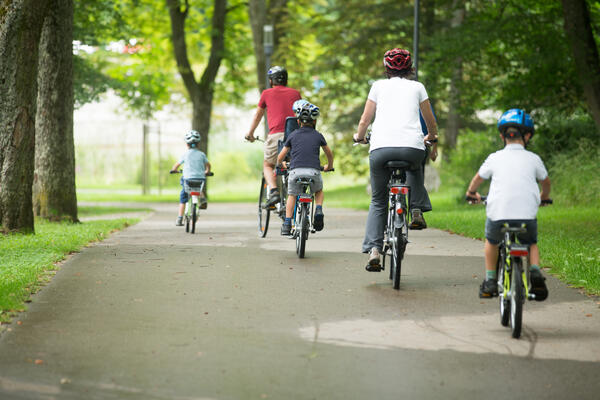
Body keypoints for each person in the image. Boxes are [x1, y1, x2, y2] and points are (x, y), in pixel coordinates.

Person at [353, 48, 438, 271]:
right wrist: (432, 136)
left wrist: (359, 137)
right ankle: (417, 209)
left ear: (386, 68)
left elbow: (365, 119)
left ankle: (374, 251)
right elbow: (429, 120)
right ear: (410, 68)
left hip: (381, 149)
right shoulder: (417, 87)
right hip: (412, 148)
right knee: (415, 166)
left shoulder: (378, 87)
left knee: (379, 200)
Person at [466, 108, 550, 300]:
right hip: (527, 217)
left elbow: (478, 179)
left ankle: (489, 280)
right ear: (527, 135)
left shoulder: (494, 157)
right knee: (531, 243)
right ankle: (535, 272)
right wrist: (544, 197)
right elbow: (546, 182)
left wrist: (471, 193)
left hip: (498, 215)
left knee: (492, 241)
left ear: (502, 136)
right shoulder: (534, 158)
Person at [245, 66, 302, 207]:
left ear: (271, 81)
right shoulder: (296, 93)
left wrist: (250, 133)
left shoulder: (266, 94)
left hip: (276, 135)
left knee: (268, 165)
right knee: (291, 165)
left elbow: (258, 115)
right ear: (286, 80)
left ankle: (275, 192)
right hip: (295, 135)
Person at [276, 101, 334, 236]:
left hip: (295, 171)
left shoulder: (293, 135)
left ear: (298, 121)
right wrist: (329, 166)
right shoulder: (318, 135)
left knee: (292, 195)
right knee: (318, 191)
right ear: (314, 122)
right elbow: (329, 153)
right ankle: (318, 209)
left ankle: (287, 223)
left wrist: (281, 164)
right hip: (314, 171)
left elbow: (280, 157)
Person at [170, 130, 211, 226]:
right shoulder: (202, 154)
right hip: (200, 179)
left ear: (187, 144)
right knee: (199, 187)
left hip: (187, 179)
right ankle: (202, 198)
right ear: (198, 144)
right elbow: (208, 164)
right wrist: (207, 171)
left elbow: (176, 165)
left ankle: (179, 218)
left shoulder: (185, 154)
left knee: (183, 196)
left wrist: (174, 170)